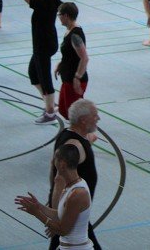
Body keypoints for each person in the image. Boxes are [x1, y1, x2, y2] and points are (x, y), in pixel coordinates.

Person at [16, 145, 95, 250]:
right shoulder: (70, 187)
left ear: (62, 164)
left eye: (55, 159)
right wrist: (39, 206)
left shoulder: (77, 194)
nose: (53, 162)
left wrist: (37, 213)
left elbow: (63, 230)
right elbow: (59, 215)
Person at [47, 99, 101, 250]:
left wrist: (90, 140)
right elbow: (59, 179)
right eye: (95, 115)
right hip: (71, 210)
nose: (98, 118)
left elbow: (52, 164)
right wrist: (56, 214)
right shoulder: (74, 145)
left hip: (74, 208)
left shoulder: (72, 136)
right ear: (83, 120)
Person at [18, 0, 62, 124]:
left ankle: (50, 114)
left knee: (44, 78)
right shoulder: (52, 0)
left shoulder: (41, 3)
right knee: (33, 73)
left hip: (43, 45)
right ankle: (50, 104)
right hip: (47, 43)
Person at [55, 2, 89, 120]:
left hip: (74, 81)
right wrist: (61, 64)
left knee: (74, 115)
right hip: (67, 78)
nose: (58, 17)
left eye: (59, 14)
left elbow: (84, 58)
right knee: (63, 110)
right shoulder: (68, 31)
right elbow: (70, 54)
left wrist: (77, 77)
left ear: (66, 15)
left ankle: (85, 130)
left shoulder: (75, 35)